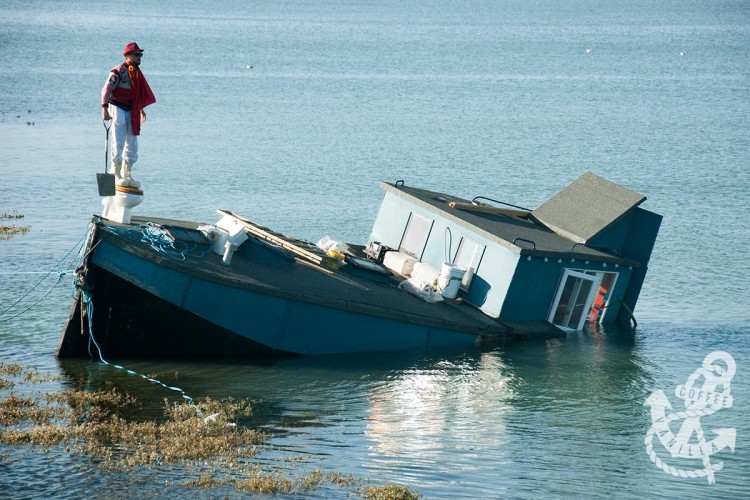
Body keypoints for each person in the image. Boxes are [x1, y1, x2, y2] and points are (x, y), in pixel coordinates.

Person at [101, 42, 156, 188]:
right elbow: (106, 90)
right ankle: (115, 171)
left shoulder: (137, 73)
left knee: (132, 141)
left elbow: (136, 94)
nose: (140, 58)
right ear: (128, 56)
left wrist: (140, 109)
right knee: (118, 139)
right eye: (137, 55)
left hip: (131, 109)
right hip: (117, 106)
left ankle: (127, 173)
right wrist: (104, 109)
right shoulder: (117, 71)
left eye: (141, 55)